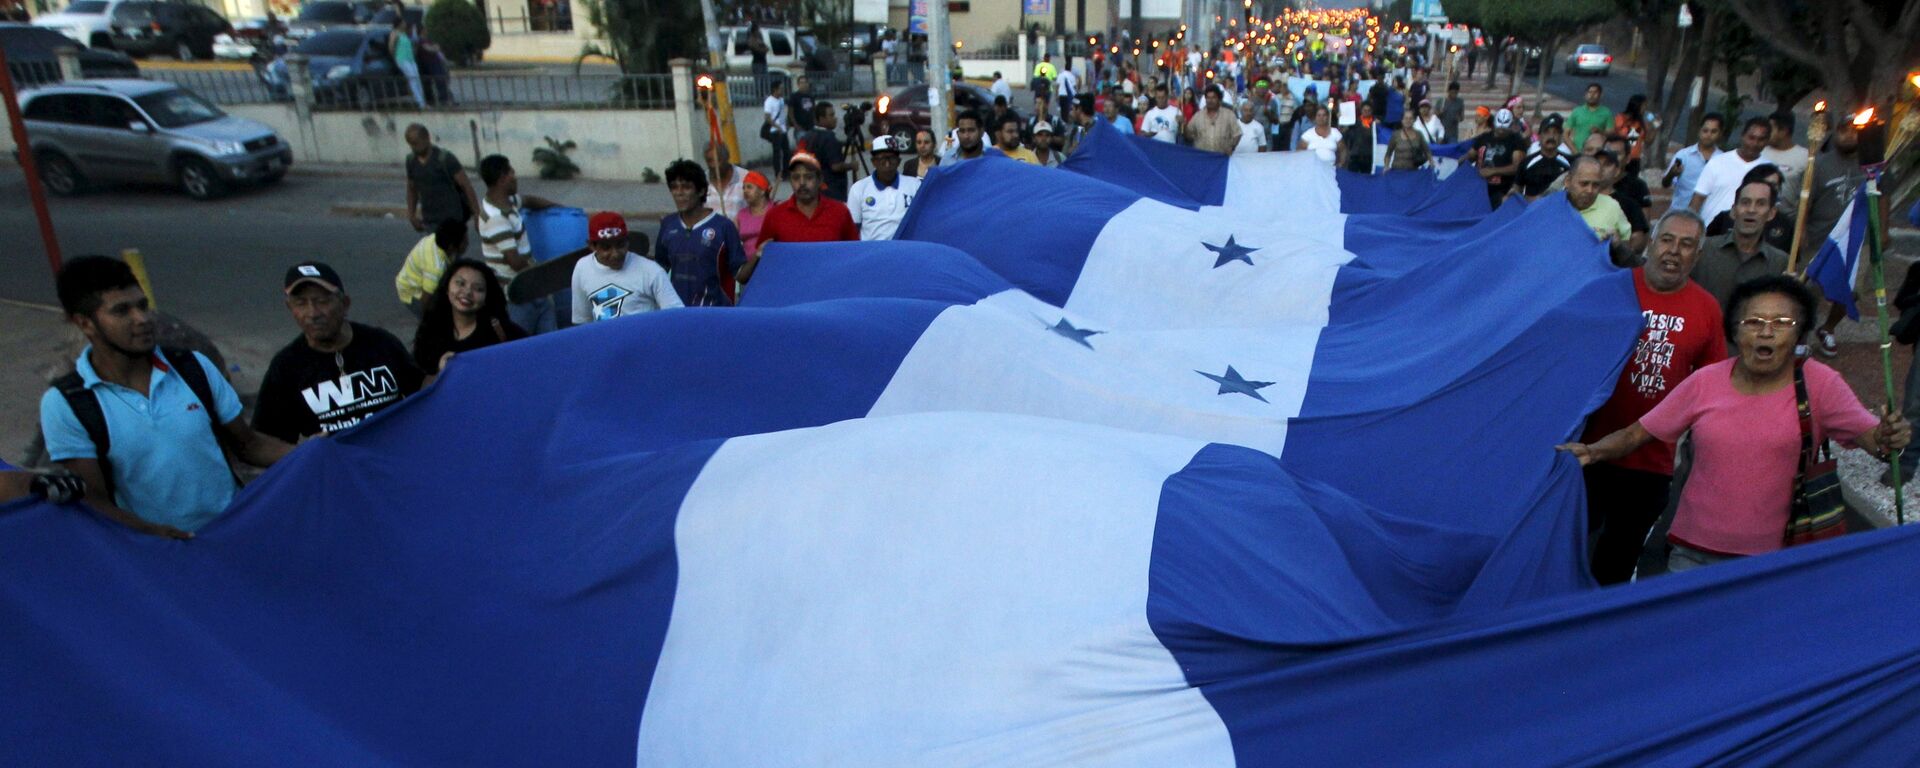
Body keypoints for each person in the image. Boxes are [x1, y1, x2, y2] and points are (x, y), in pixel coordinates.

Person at [1559, 275, 1910, 572]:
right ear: (1735, 331)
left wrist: (1889, 437)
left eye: (1782, 323)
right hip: (1691, 552)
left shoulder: (1821, 384)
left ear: (1799, 334)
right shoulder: (1705, 381)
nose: (1766, 333)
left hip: (1776, 561)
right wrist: (1592, 451)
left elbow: (1875, 442)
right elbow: (1638, 432)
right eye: (1754, 322)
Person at [40, 256, 294, 538]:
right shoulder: (67, 404)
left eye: (142, 305)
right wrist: (155, 534)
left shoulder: (193, 367)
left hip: (235, 533)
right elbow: (94, 502)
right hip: (157, 558)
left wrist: (315, 453)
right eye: (122, 311)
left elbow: (249, 445)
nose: (142, 319)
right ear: (85, 323)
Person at [1578, 209, 1727, 584]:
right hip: (1588, 448)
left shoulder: (1707, 309)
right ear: (1652, 243)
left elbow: (1713, 385)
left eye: (1686, 244)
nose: (1673, 251)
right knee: (1568, 545)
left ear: (1698, 255)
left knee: (1617, 559)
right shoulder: (1612, 287)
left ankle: (1603, 630)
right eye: (1667, 240)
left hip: (1651, 460)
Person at [254, 261, 423, 444]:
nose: (313, 313)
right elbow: (265, 443)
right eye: (301, 303)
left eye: (322, 301)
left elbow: (423, 396)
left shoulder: (382, 344)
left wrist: (448, 369)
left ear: (345, 303)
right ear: (290, 308)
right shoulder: (286, 367)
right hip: (335, 471)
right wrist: (306, 452)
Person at [1801, 119, 1870, 357]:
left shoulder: (1871, 165)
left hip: (1859, 238)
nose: (1849, 135)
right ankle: (1801, 332)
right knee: (1810, 287)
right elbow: (1805, 201)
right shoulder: (1819, 164)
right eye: (1843, 130)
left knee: (1851, 289)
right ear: (1834, 132)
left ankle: (1828, 328)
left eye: (1855, 131)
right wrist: (1801, 232)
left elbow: (1883, 196)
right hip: (1822, 236)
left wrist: (1883, 231)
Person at [739, 153, 857, 285]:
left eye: (808, 177)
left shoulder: (839, 212)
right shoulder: (775, 216)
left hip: (832, 286)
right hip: (791, 290)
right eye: (796, 178)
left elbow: (854, 254)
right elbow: (765, 258)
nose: (802, 183)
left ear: (820, 179)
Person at [476, 154, 561, 334]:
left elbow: (529, 200)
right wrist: (545, 273)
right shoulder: (495, 218)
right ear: (502, 178)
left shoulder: (508, 202)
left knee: (549, 341)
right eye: (511, 172)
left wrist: (560, 209)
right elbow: (514, 261)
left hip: (533, 289)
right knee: (525, 345)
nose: (515, 176)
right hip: (517, 296)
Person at [411, 258, 525, 380]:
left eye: (478, 289)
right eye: (460, 283)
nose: (467, 292)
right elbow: (418, 386)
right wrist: (441, 373)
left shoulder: (499, 330)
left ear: (487, 297)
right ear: (446, 287)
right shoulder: (430, 330)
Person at [657, 160, 749, 307]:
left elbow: (741, 274)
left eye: (686, 187)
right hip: (677, 312)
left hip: (715, 313)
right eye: (674, 187)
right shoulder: (668, 224)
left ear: (701, 191)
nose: (679, 193)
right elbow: (659, 271)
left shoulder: (723, 227)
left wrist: (758, 254)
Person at [1692, 179, 1791, 311]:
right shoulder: (1703, 249)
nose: (1751, 209)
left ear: (1771, 213)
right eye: (1745, 202)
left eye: (1760, 204)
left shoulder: (1780, 262)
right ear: (1733, 211)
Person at [575, 212, 681, 321]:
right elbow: (582, 321)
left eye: (620, 245)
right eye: (606, 248)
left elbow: (677, 315)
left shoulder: (651, 271)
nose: (615, 254)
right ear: (591, 246)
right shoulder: (582, 268)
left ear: (628, 242)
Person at [1689, 116, 1773, 223]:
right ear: (1742, 136)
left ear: (1767, 141)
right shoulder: (1718, 162)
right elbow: (1698, 198)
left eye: (1761, 139)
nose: (1755, 144)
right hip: (1710, 232)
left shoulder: (1769, 170)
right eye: (1751, 138)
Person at [403, 124, 481, 233]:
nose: (413, 148)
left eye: (416, 143)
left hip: (452, 220)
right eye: (411, 144)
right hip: (430, 221)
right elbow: (412, 188)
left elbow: (466, 186)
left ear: (427, 138)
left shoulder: (445, 159)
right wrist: (412, 215)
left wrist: (477, 214)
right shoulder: (411, 161)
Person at [1705, 164, 1793, 254]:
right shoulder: (1723, 218)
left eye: (1773, 185)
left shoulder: (1785, 224)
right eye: (1762, 183)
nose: (1752, 210)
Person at [848, 135, 921, 240]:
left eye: (891, 157)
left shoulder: (915, 185)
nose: (887, 162)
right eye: (882, 158)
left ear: (899, 161)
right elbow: (853, 229)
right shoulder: (858, 189)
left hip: (905, 250)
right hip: (873, 251)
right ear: (873, 161)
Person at [395, 218, 468, 317]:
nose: (467, 242)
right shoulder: (435, 268)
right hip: (414, 293)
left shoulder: (437, 239)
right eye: (464, 240)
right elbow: (426, 301)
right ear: (451, 247)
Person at [1567, 155, 1633, 264]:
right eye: (1584, 184)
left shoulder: (1612, 206)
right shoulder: (1553, 207)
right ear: (1568, 181)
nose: (1589, 190)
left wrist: (1617, 244)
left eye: (1596, 185)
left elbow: (1627, 244)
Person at [1663, 113, 1723, 215]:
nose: (1708, 135)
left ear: (1720, 134)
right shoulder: (1684, 155)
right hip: (1679, 212)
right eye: (1705, 131)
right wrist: (1672, 173)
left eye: (1713, 132)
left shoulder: (1722, 159)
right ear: (1699, 131)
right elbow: (1665, 183)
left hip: (1708, 217)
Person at [1470, 108, 1528, 207]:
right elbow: (1469, 156)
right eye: (1499, 129)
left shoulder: (1516, 140)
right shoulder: (1484, 137)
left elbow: (1517, 166)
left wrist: (1493, 171)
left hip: (1502, 190)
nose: (1501, 132)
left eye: (1504, 129)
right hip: (1480, 188)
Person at [1760, 110, 1808, 219]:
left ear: (1783, 131)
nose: (1766, 133)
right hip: (1759, 215)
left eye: (1770, 129)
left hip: (1787, 218)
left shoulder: (1805, 157)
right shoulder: (1761, 152)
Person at [802, 101, 852, 201]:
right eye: (831, 115)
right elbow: (836, 166)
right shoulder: (829, 138)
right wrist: (852, 165)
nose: (835, 118)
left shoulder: (808, 136)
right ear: (821, 119)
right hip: (831, 190)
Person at [1518, 114, 1572, 199]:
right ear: (1539, 136)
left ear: (1560, 137)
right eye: (1547, 132)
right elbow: (1517, 191)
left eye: (1555, 132)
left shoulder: (1570, 163)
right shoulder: (1526, 163)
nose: (1551, 136)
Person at [1184, 85, 1240, 155]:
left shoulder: (1229, 115)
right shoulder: (1198, 116)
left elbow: (1237, 134)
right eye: (1208, 98)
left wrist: (1232, 147)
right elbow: (1188, 136)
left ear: (1219, 99)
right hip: (1202, 158)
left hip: (1222, 159)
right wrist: (1183, 125)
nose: (1210, 101)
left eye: (1213, 98)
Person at [734, 170, 774, 263]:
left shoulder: (775, 211)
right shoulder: (741, 215)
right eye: (743, 188)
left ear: (762, 190)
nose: (745, 191)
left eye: (749, 187)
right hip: (748, 266)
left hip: (771, 261)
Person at [387, 6, 424, 108]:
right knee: (412, 78)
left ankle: (422, 101)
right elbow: (391, 46)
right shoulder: (395, 33)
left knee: (416, 78)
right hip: (402, 59)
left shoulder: (403, 33)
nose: (404, 23)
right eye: (403, 22)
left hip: (410, 59)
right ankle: (419, 102)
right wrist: (394, 57)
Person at [704, 142, 748, 220]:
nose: (714, 165)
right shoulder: (701, 181)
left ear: (727, 157)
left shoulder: (745, 178)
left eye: (718, 160)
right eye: (710, 161)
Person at [1566, 83, 1613, 151]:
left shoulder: (1606, 112)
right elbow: (1565, 134)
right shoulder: (1577, 111)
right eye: (1590, 92)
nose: (1592, 95)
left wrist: (1599, 131)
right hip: (1578, 151)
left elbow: (1611, 134)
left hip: (1597, 153)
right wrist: (1574, 151)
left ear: (1601, 95)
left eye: (1595, 92)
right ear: (1585, 95)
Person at [763, 79, 791, 176]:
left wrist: (786, 125)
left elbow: (783, 114)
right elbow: (767, 117)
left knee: (787, 152)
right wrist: (777, 127)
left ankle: (786, 172)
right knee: (777, 153)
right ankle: (778, 173)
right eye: (781, 89)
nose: (783, 90)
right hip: (775, 130)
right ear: (775, 89)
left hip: (783, 130)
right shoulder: (769, 101)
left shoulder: (781, 100)